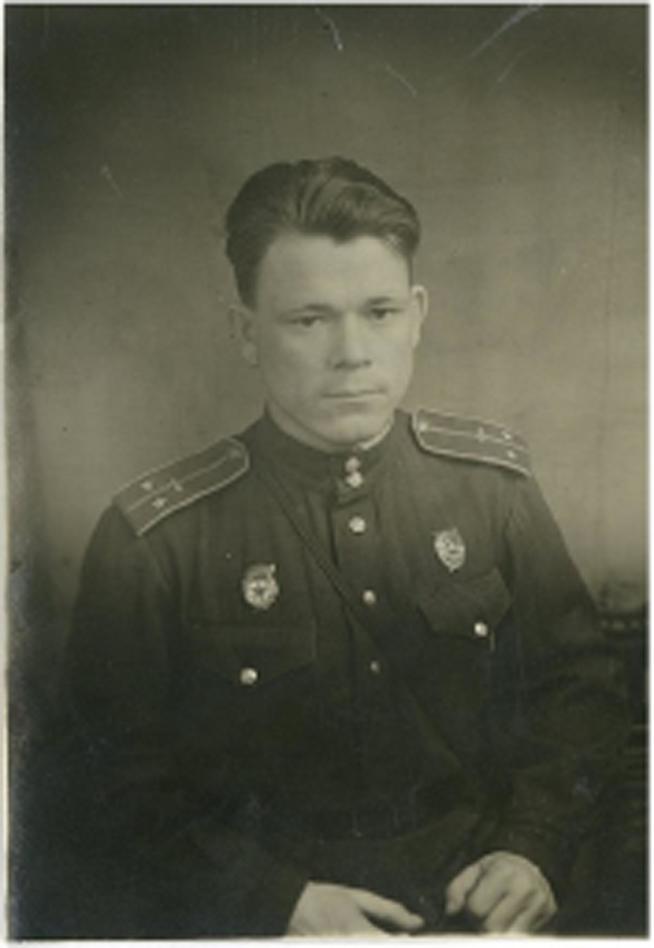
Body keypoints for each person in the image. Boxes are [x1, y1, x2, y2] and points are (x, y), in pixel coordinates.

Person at [63, 157, 629, 937]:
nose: (353, 352)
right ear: (246, 332)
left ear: (418, 315)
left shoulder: (493, 490)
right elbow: (108, 779)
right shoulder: (158, 540)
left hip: (476, 902)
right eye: (309, 320)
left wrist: (532, 850)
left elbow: (580, 695)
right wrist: (271, 902)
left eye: (380, 312)